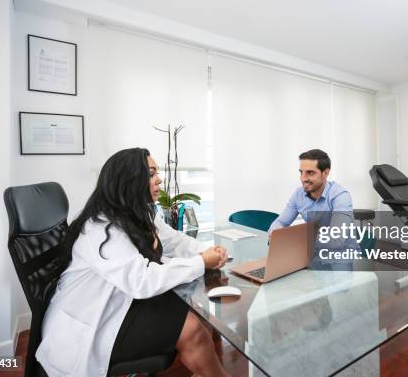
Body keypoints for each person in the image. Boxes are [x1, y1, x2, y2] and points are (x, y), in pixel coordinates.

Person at [36, 148, 230, 377]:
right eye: (150, 173)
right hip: (92, 324)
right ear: (128, 180)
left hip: (122, 300)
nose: (159, 179)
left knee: (195, 312)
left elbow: (171, 240)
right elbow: (141, 281)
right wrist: (200, 262)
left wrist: (206, 251)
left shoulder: (140, 213)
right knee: (193, 330)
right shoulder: (101, 228)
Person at [268, 149, 354, 245]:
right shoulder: (299, 194)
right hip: (310, 252)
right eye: (301, 172)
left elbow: (337, 239)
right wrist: (275, 234)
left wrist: (294, 238)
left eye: (310, 173)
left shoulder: (340, 196)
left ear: (325, 173)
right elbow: (280, 223)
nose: (303, 178)